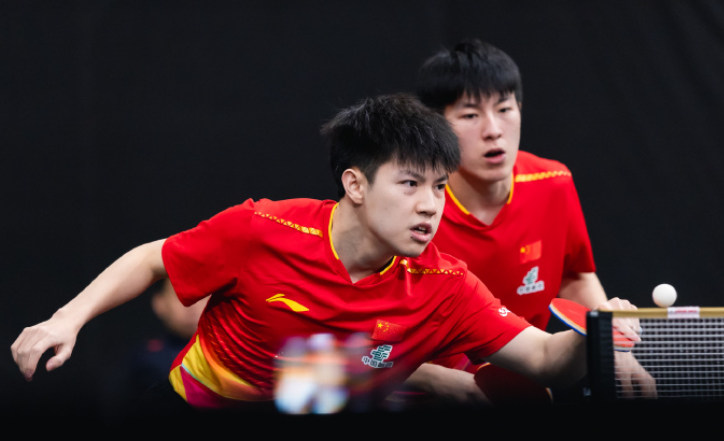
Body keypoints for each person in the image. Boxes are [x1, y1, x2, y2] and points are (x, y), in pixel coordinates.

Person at [10, 93, 641, 416]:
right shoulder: (263, 229)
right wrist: (66, 319)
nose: (431, 206)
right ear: (355, 184)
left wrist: (593, 334)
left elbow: (544, 360)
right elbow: (154, 258)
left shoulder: (445, 284)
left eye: (439, 187)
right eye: (410, 184)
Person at [395, 38, 656, 405]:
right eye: (470, 115)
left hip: (525, 375)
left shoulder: (553, 183)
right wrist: (437, 380)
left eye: (504, 109)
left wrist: (614, 350)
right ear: (436, 125)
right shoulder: (410, 206)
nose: (493, 129)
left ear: (519, 108)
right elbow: (361, 330)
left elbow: (575, 276)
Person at [99, 278, 208, 419]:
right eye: (181, 296)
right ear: (159, 303)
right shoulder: (144, 361)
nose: (193, 305)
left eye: (201, 295)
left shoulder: (230, 353)